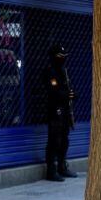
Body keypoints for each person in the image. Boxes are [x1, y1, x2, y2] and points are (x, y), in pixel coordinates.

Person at [43, 44, 77, 182]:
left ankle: (62, 167)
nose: (63, 59)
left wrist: (72, 94)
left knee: (64, 140)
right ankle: (51, 171)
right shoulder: (50, 72)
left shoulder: (64, 71)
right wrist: (66, 95)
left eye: (64, 56)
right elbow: (53, 92)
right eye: (60, 56)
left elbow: (67, 89)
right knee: (54, 140)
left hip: (65, 109)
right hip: (55, 109)